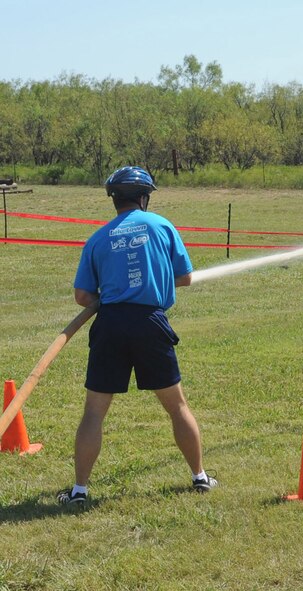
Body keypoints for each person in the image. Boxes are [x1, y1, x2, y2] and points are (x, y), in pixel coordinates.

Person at [58, 166, 218, 506]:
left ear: (114, 200)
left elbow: (83, 297)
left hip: (111, 324)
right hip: (150, 323)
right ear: (144, 197)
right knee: (177, 407)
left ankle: (80, 491)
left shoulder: (98, 238)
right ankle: (200, 478)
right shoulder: (161, 225)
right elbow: (185, 277)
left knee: (94, 413)